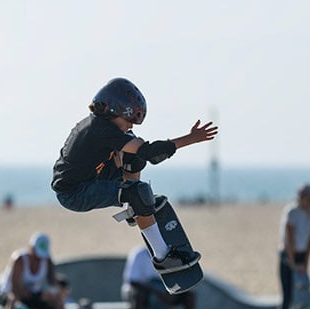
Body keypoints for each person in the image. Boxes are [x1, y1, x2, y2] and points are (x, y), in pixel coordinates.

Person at [51, 77, 218, 285]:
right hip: (74, 192)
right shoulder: (99, 130)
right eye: (129, 119)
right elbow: (152, 153)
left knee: (134, 152)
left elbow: (142, 152)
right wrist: (190, 139)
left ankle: (135, 205)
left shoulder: (108, 127)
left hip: (93, 175)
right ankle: (163, 257)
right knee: (138, 191)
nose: (130, 125)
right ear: (114, 111)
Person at [0, 233, 77, 309]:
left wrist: (52, 294)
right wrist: (39, 295)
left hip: (33, 295)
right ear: (31, 248)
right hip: (11, 295)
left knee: (58, 302)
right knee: (13, 300)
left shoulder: (47, 260)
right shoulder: (19, 259)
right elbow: (15, 289)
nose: (38, 259)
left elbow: (52, 283)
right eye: (36, 255)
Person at [121, 245, 198, 309]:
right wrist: (157, 293)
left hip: (166, 290)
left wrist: (171, 292)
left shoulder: (170, 254)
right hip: (144, 290)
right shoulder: (139, 254)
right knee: (138, 296)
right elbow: (133, 281)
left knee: (190, 295)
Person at [272, 184, 310, 309]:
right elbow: (289, 239)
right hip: (287, 256)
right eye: (308, 198)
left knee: (302, 298)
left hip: (301, 256)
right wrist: (292, 263)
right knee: (287, 297)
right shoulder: (291, 212)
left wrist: (305, 263)